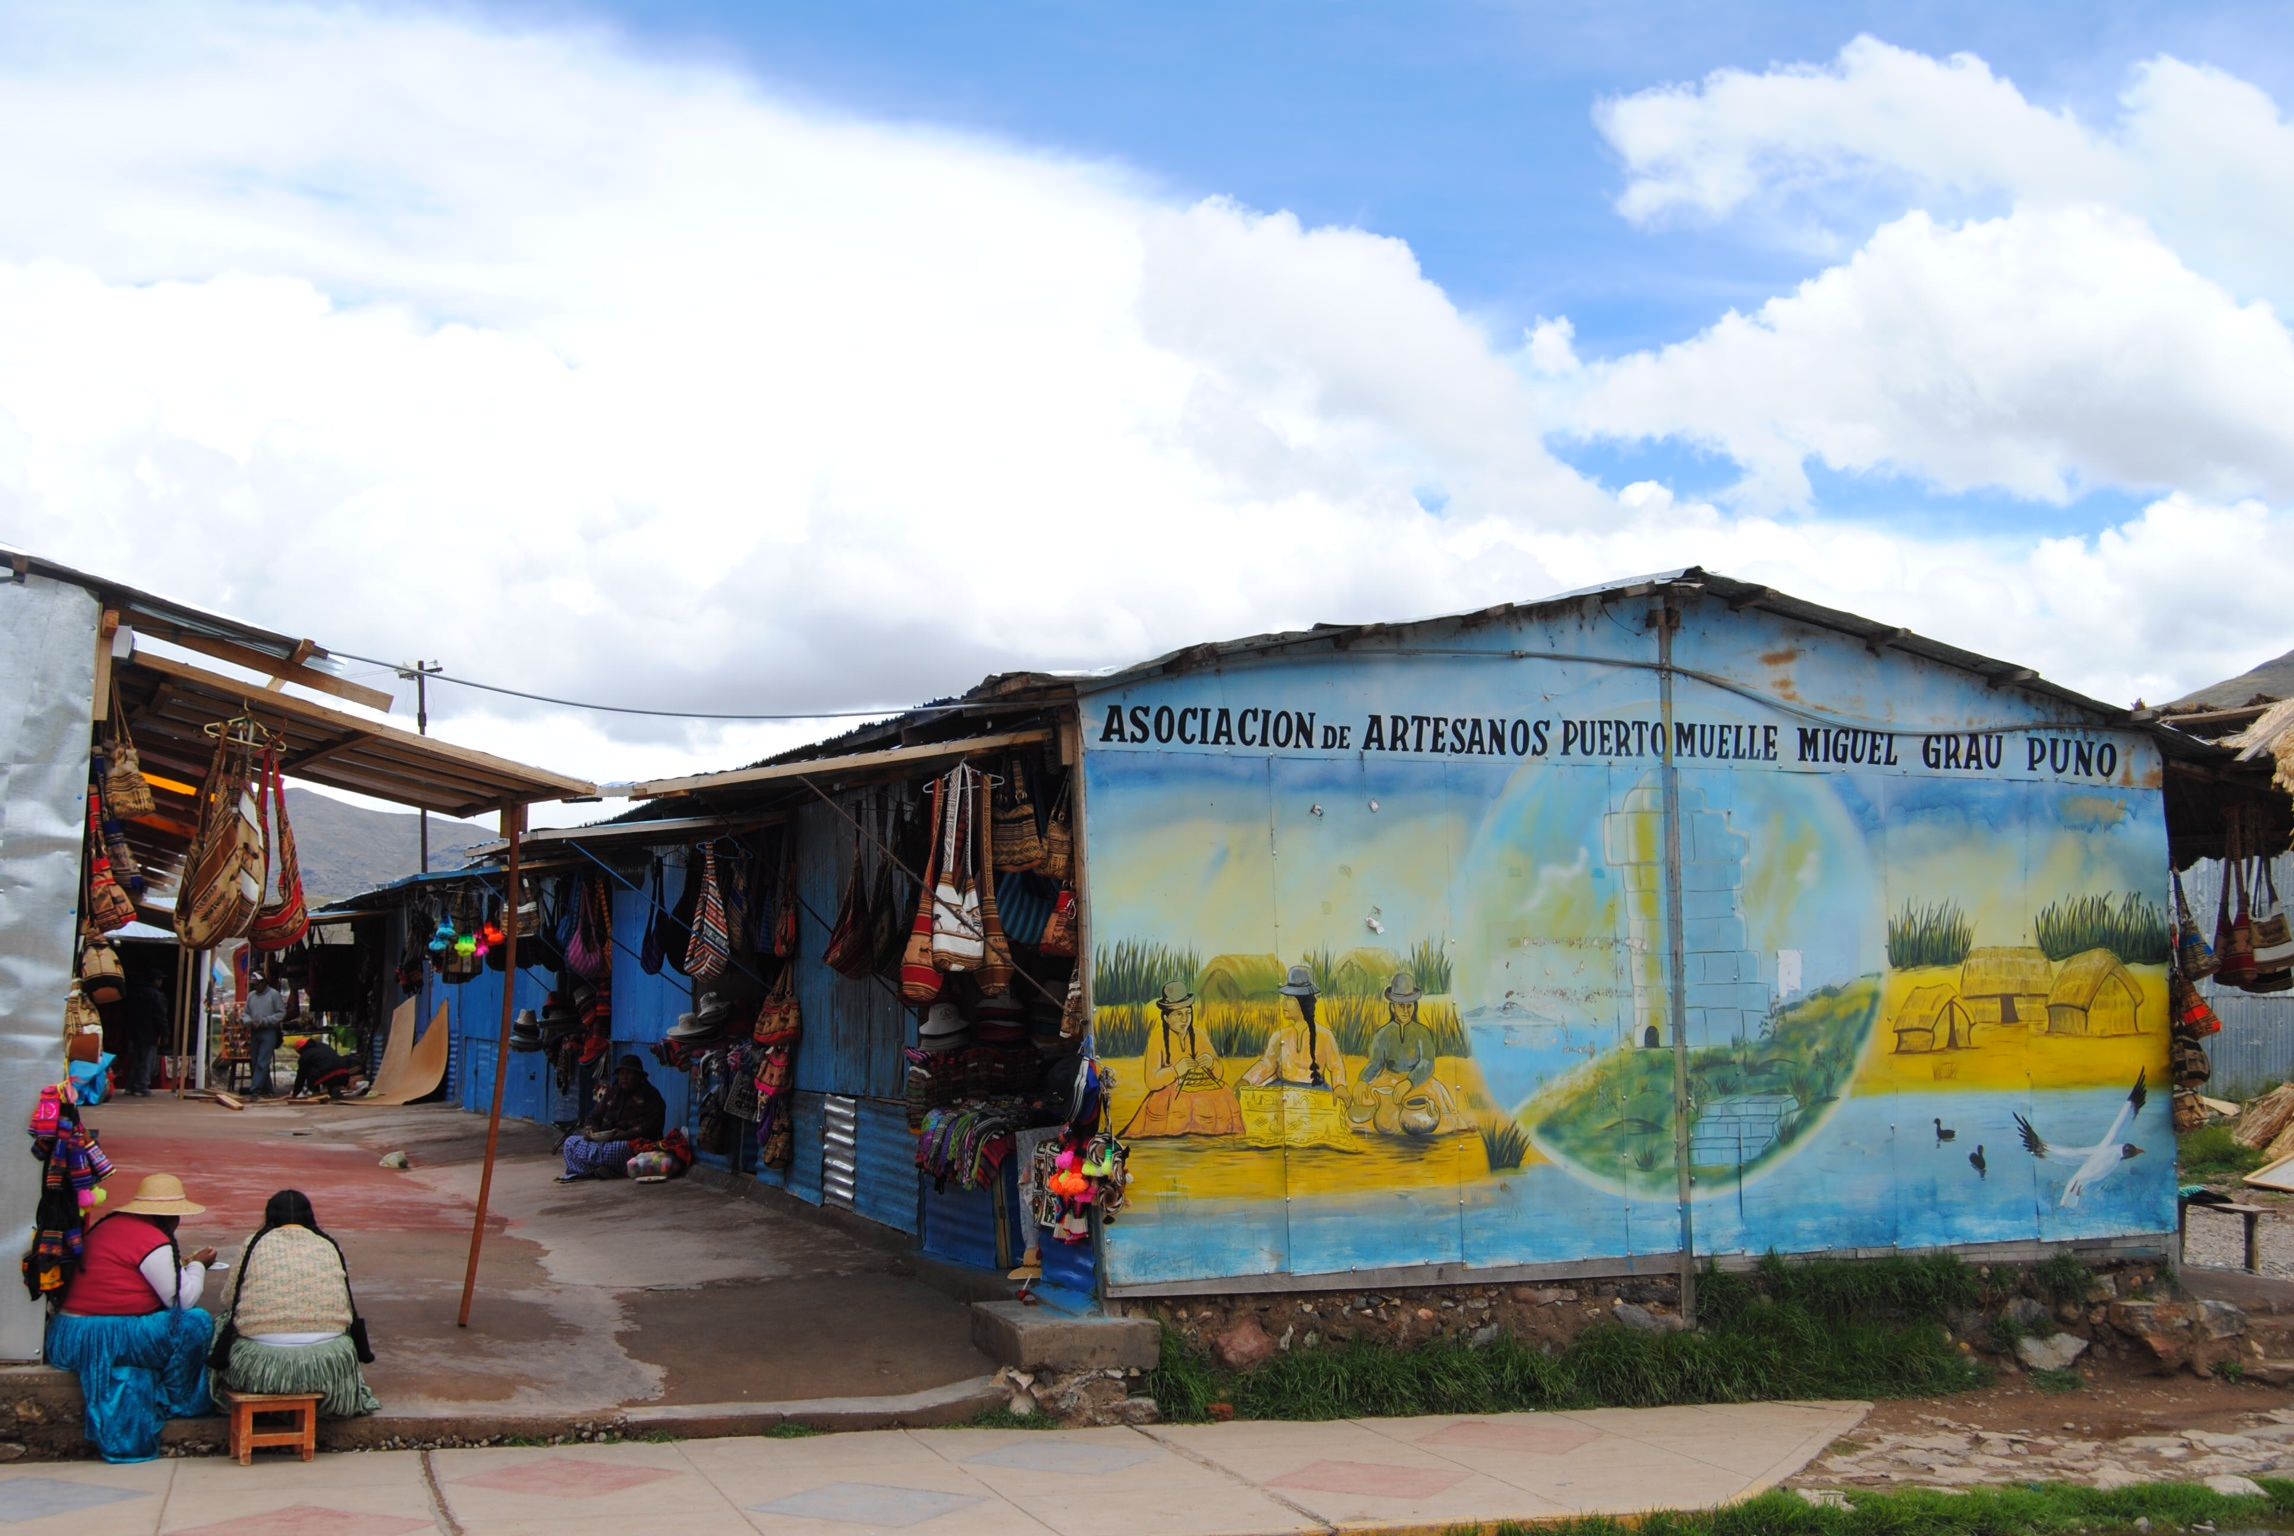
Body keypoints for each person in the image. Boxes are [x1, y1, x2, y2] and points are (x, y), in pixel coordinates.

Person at [44, 1174, 218, 1462]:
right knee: (196, 1322)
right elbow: (181, 1300)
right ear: (171, 1216)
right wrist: (198, 1266)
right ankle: (181, 1401)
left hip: (68, 1336)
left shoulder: (109, 1225)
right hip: (106, 1336)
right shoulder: (152, 1241)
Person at [211, 1191, 378, 1419]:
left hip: (262, 1364)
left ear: (269, 1216)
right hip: (325, 1364)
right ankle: (332, 1397)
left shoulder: (254, 1243)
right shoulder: (327, 1244)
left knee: (223, 1320)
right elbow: (344, 1303)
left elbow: (229, 1298)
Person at [1126, 983, 1244, 1137]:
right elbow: (1151, 1081)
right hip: (1170, 1095)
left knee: (1224, 1093)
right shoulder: (1158, 1037)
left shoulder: (1198, 1035)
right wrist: (1176, 1070)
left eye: (1188, 1013)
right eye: (1178, 1014)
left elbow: (1219, 1073)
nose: (1185, 1019)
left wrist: (1211, 1063)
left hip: (1200, 1088)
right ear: (1166, 1018)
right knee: (1182, 1104)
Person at [1351, 972, 1461, 1136]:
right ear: (1392, 1007)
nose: (1405, 1010)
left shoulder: (1422, 1033)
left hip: (1419, 1082)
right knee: (1376, 1106)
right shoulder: (1382, 1035)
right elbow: (1375, 1063)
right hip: (1389, 1082)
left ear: (1414, 1006)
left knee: (1430, 1110)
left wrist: (1409, 1082)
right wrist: (1362, 1080)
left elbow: (1427, 1063)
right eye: (1400, 1005)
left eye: (1409, 1005)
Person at [557, 1056, 667, 1182]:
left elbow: (650, 1127)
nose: (624, 1077)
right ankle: (600, 1169)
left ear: (639, 1076)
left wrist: (623, 1135)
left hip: (628, 1145)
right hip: (603, 1143)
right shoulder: (612, 1093)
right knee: (570, 1143)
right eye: (621, 1074)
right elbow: (594, 1117)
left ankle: (598, 1168)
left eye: (629, 1073)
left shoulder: (652, 1097)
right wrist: (591, 1130)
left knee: (619, 1149)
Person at [1240, 966, 1348, 1091]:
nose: (1283, 1004)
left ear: (1304, 1003)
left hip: (1315, 1090)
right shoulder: (1279, 1036)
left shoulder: (1325, 1035)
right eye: (1284, 998)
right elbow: (1268, 1064)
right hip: (1284, 1089)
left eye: (1289, 998)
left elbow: (1336, 1066)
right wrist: (1247, 1079)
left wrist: (1340, 1086)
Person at [243, 973, 288, 1098]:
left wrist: (265, 1021)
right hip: (255, 1031)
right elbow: (246, 1013)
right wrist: (249, 1021)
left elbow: (281, 1013)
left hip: (269, 1032)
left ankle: (255, 1089)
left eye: (257, 984)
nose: (255, 987)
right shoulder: (251, 996)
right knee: (255, 1061)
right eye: (254, 985)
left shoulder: (273, 995)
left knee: (263, 1061)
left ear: (263, 983)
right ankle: (268, 1088)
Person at [288, 1036, 367, 1101]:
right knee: (326, 1068)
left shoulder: (305, 1056)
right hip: (344, 1074)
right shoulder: (323, 1046)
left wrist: (295, 1094)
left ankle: (315, 1091)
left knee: (309, 1071)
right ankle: (335, 1089)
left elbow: (300, 1076)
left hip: (328, 1076)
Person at [124, 978, 167, 1098]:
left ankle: (131, 1086)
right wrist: (164, 1033)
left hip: (135, 1032)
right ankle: (141, 1086)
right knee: (147, 1060)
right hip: (150, 1032)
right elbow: (160, 1015)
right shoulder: (156, 996)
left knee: (136, 1059)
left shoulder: (136, 994)